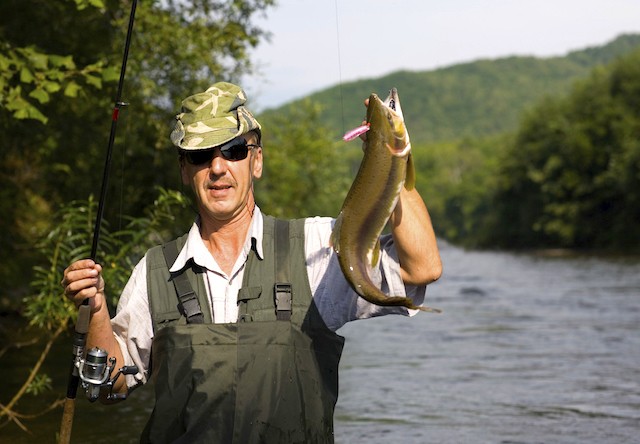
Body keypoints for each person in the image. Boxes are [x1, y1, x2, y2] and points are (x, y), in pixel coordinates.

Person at [61, 82, 442, 443]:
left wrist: (385, 154)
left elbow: (421, 267)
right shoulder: (154, 270)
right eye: (199, 155)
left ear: (256, 161)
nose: (217, 167)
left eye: (233, 150)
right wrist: (95, 311)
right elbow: (110, 390)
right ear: (184, 170)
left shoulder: (315, 249)